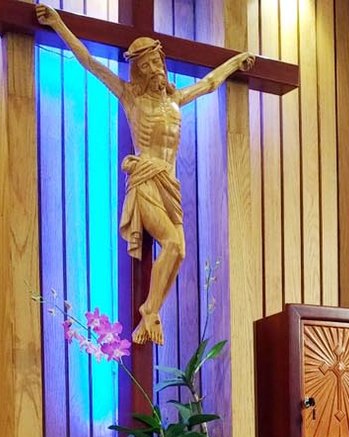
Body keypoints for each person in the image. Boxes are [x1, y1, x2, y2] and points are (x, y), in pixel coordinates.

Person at [36, 5, 254, 345]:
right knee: (172, 243)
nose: (154, 69)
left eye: (156, 62)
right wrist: (59, 23)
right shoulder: (131, 97)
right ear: (138, 70)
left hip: (170, 182)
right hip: (146, 180)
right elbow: (90, 62)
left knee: (179, 251)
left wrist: (236, 62)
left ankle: (151, 312)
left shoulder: (176, 99)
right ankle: (149, 312)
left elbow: (210, 83)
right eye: (146, 65)